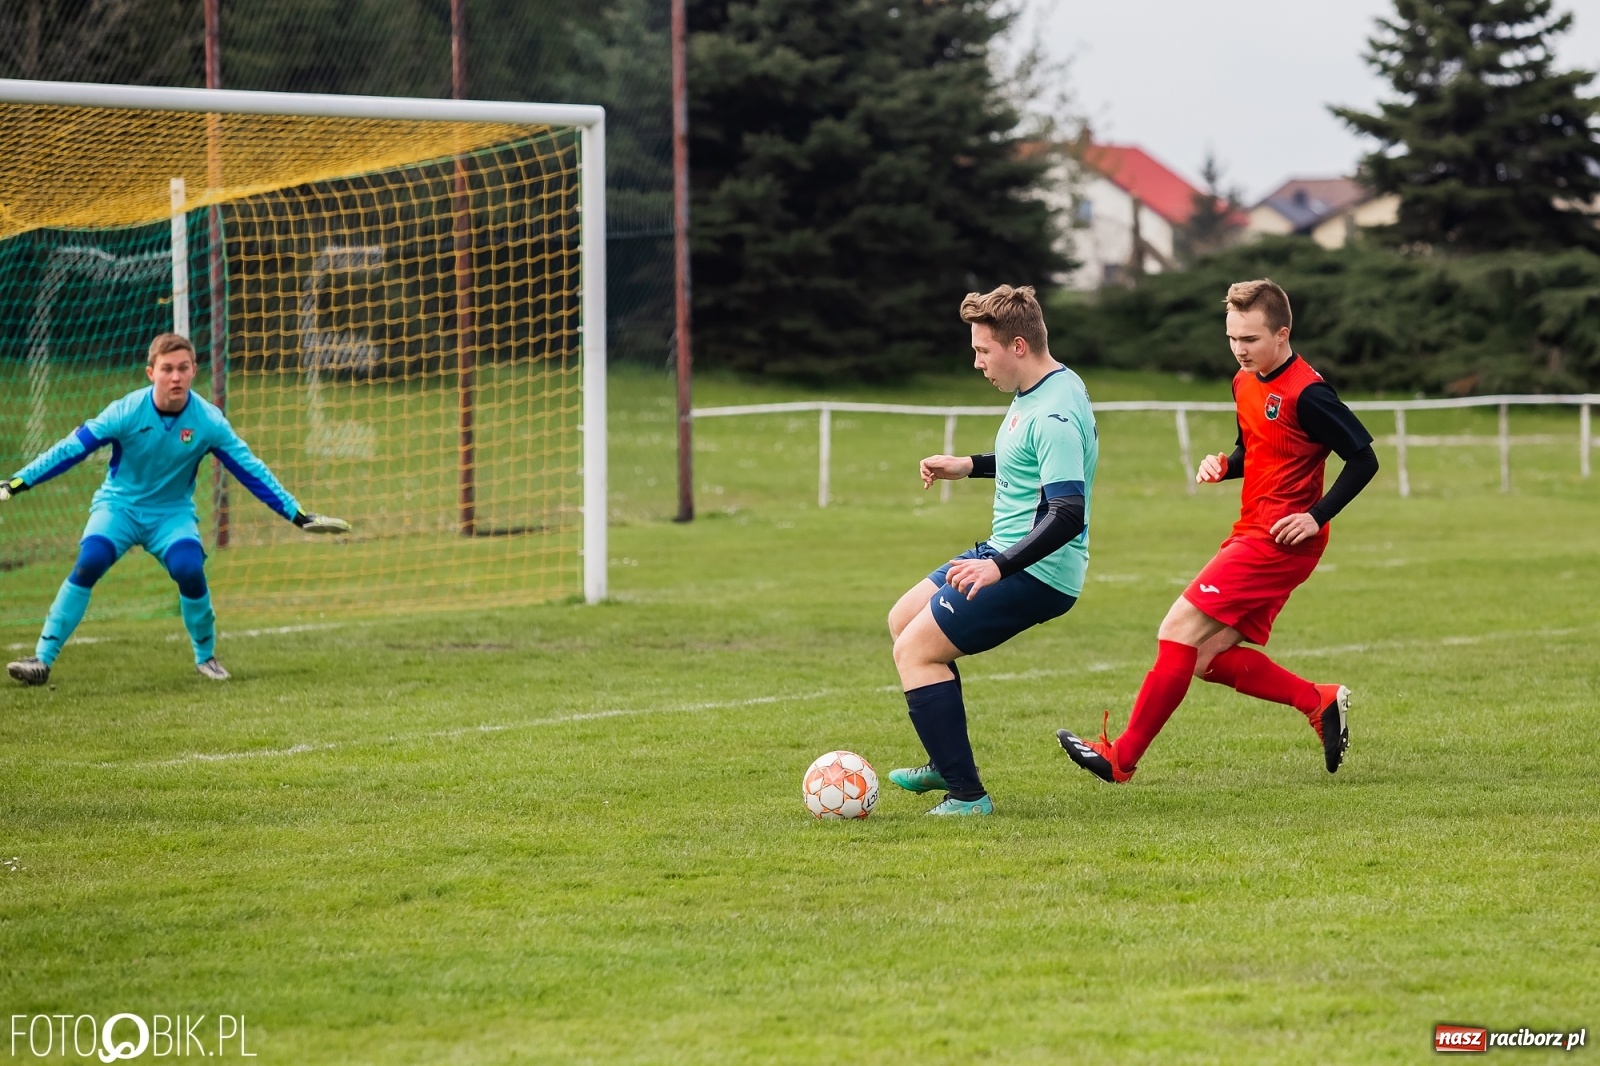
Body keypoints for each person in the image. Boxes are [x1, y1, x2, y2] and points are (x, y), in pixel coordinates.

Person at [1056, 279, 1378, 782]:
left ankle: (1121, 759)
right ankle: (1319, 700)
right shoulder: (1243, 381)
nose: (1239, 349)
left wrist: (1316, 514)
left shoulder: (1310, 393)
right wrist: (1224, 465)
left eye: (1250, 339)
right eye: (1232, 338)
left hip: (1280, 539)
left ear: (1282, 333)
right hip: (1252, 529)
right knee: (1204, 657)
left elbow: (1363, 457)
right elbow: (1255, 449)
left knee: (1176, 631)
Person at [2, 332, 350, 685]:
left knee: (189, 569)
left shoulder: (208, 421)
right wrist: (16, 483)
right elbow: (69, 450)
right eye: (167, 368)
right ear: (150, 372)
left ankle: (206, 658)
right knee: (90, 561)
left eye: (183, 368)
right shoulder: (125, 411)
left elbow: (251, 469)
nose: (176, 377)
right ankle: (41, 660)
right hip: (119, 507)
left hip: (171, 515)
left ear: (194, 370)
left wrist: (297, 514)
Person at [886, 284, 1098, 815]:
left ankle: (967, 794)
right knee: (903, 619)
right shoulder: (1046, 388)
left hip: (1037, 570)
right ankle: (945, 757)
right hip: (1005, 552)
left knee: (916, 652)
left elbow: (1067, 512)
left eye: (984, 350)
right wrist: (970, 465)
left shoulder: (1053, 413)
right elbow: (1033, 464)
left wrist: (999, 568)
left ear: (1018, 346)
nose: (977, 361)